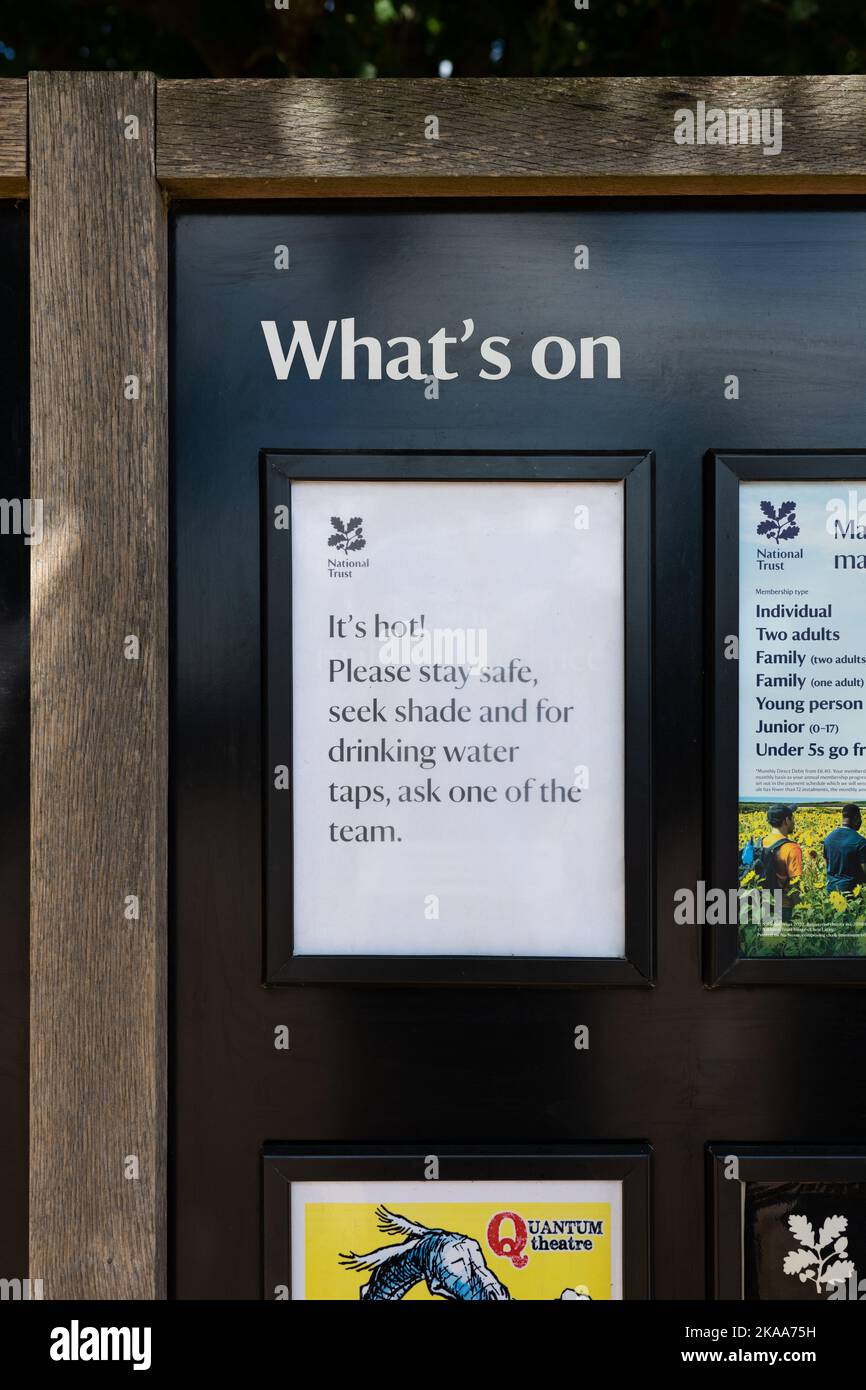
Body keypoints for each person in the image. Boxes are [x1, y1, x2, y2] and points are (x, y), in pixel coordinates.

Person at [759, 804, 802, 921]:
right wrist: (801, 910)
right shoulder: (792, 848)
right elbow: (795, 885)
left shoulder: (761, 843)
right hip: (784, 907)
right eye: (792, 817)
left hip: (762, 903)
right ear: (786, 820)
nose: (794, 821)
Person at [822, 804, 866, 896]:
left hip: (831, 892)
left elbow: (827, 865)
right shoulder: (860, 842)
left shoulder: (828, 838)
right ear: (856, 817)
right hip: (852, 893)